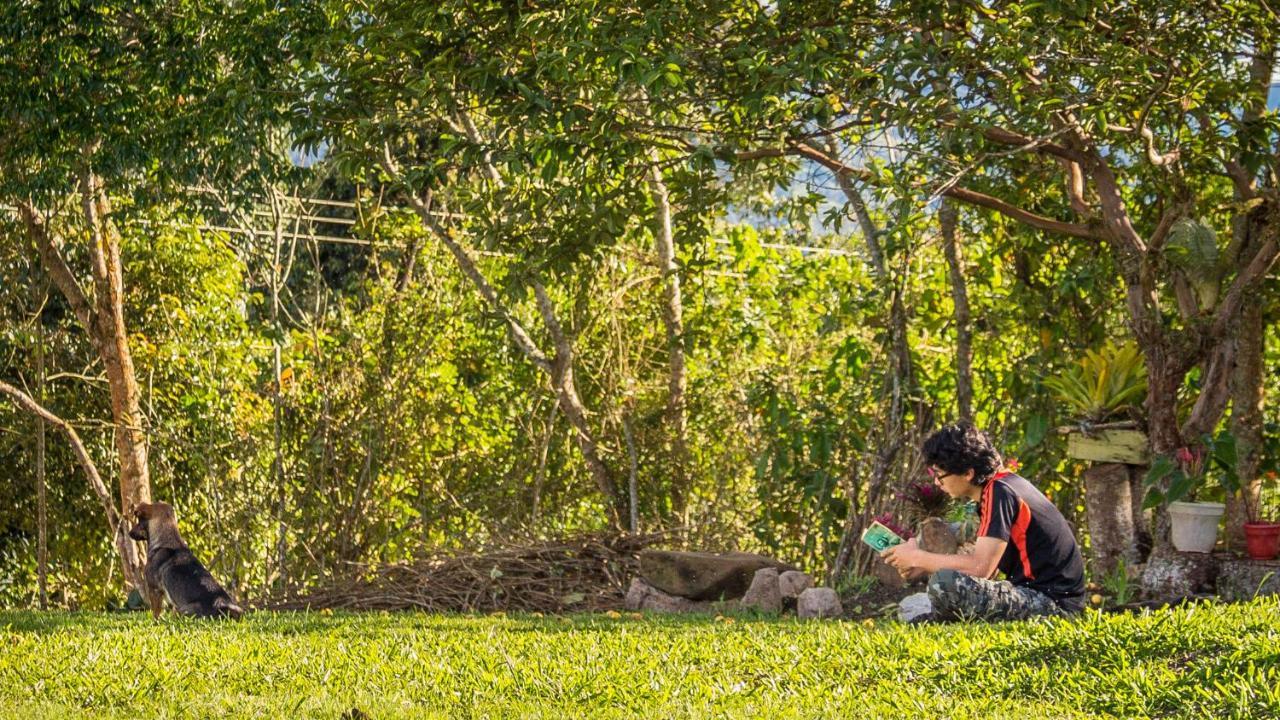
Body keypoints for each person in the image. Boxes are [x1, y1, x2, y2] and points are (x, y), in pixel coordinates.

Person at [881, 421, 1085, 620]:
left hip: (1054, 605)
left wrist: (918, 557)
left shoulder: (1000, 491)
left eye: (940, 474)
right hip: (1043, 596)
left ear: (968, 473)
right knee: (946, 583)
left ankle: (935, 618)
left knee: (945, 584)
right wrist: (922, 566)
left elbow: (981, 568)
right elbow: (990, 569)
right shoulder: (1002, 486)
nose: (936, 482)